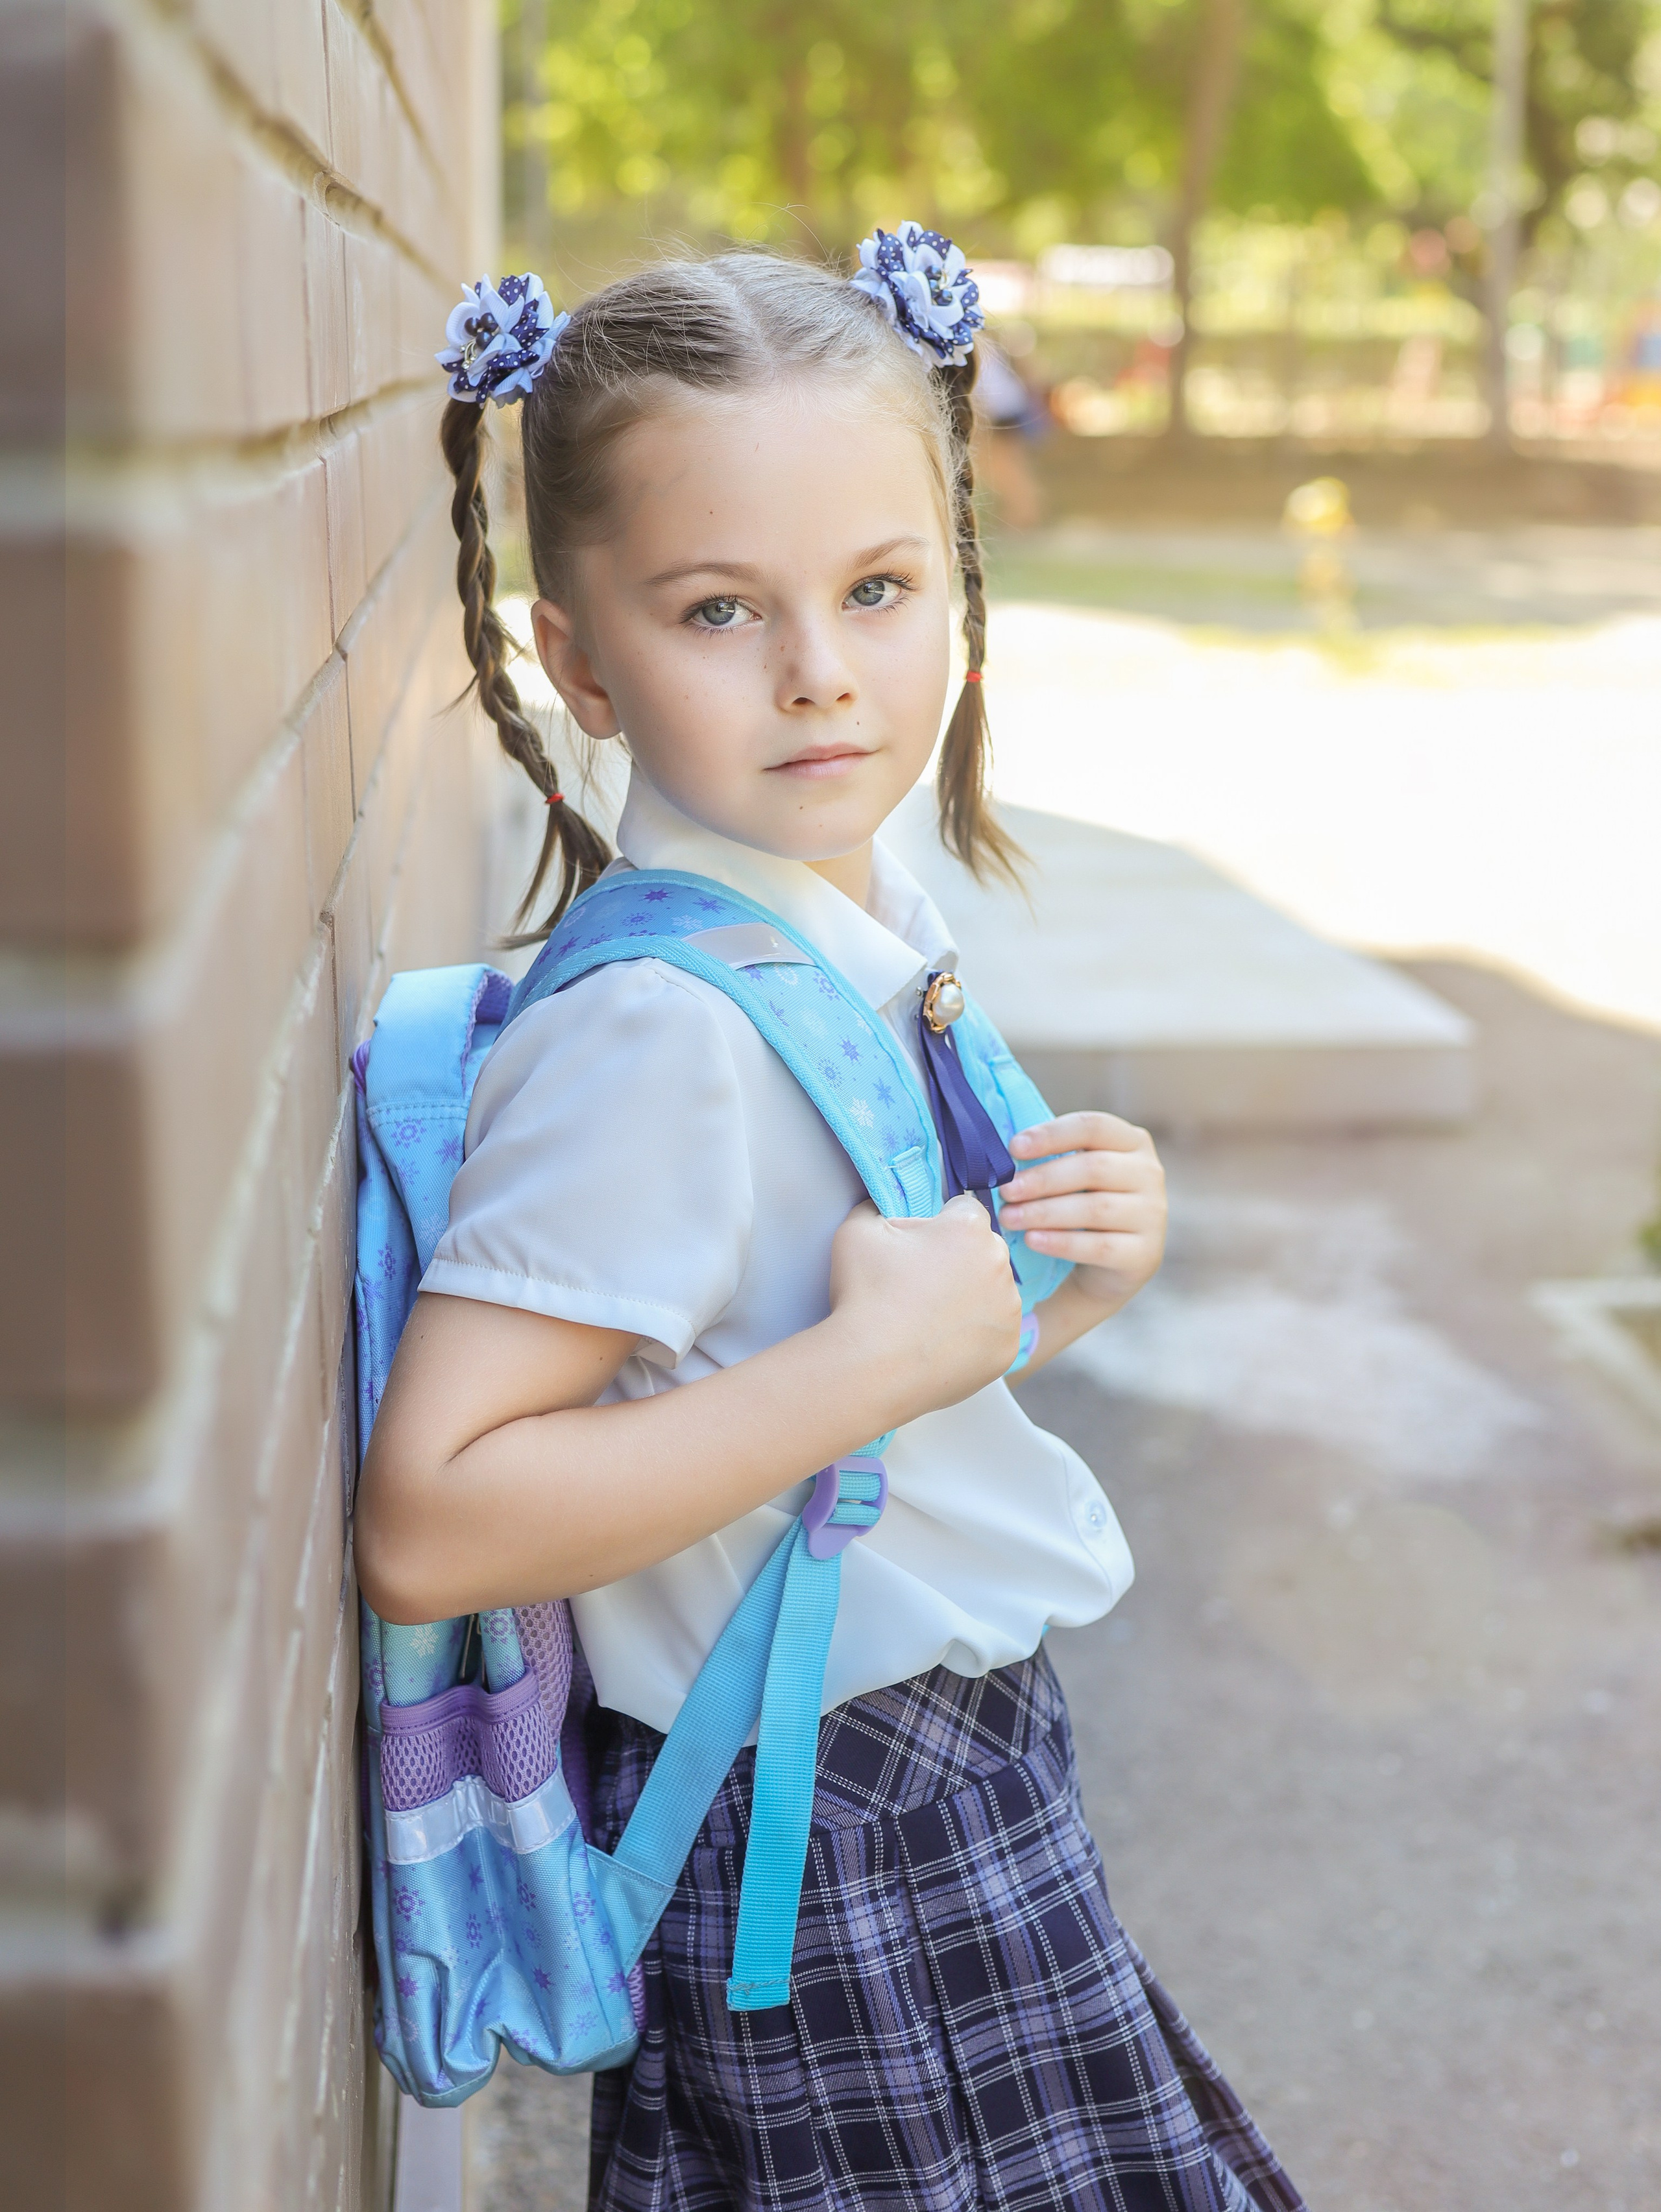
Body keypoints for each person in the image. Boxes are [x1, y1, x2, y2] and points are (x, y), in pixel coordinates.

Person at [356, 229, 1305, 2212]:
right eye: (721, 610)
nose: (821, 673)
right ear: (580, 657)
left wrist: (1060, 1292)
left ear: (959, 577)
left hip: (945, 1769)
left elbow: (824, 1407)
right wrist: (873, 1355)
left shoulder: (847, 918)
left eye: (879, 588)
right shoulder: (659, 1040)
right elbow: (434, 1514)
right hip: (825, 1842)